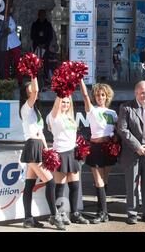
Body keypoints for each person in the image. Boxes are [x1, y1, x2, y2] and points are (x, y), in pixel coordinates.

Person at [19, 75, 65, 230]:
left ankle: (28, 219)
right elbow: (36, 89)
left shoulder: (36, 111)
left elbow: (41, 133)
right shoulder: (26, 107)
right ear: (26, 93)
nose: (32, 89)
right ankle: (54, 216)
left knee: (29, 184)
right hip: (32, 146)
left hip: (38, 145)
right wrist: (33, 73)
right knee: (50, 181)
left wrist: (46, 150)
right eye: (29, 88)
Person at [117, 81, 145, 225]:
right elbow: (123, 130)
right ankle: (132, 213)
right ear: (136, 93)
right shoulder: (126, 107)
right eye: (142, 92)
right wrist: (138, 147)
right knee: (132, 185)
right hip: (132, 152)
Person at [46, 96, 89, 225]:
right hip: (60, 153)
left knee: (75, 185)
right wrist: (61, 92)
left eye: (67, 102)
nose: (65, 104)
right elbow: (56, 106)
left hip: (72, 153)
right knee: (60, 186)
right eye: (62, 102)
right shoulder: (53, 116)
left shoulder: (70, 117)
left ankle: (74, 213)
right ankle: (60, 214)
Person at [80, 80, 117, 224]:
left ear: (107, 96)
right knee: (98, 181)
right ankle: (102, 212)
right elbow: (84, 95)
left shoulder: (112, 113)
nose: (100, 97)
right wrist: (80, 79)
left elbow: (117, 130)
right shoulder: (92, 110)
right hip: (95, 148)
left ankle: (103, 212)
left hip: (108, 148)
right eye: (97, 95)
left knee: (104, 181)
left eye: (103, 95)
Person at [3, 10, 22, 86]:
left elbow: (12, 27)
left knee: (18, 63)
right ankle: (6, 81)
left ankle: (20, 81)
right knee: (6, 64)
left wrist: (5, 30)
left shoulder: (9, 18)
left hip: (14, 44)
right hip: (4, 45)